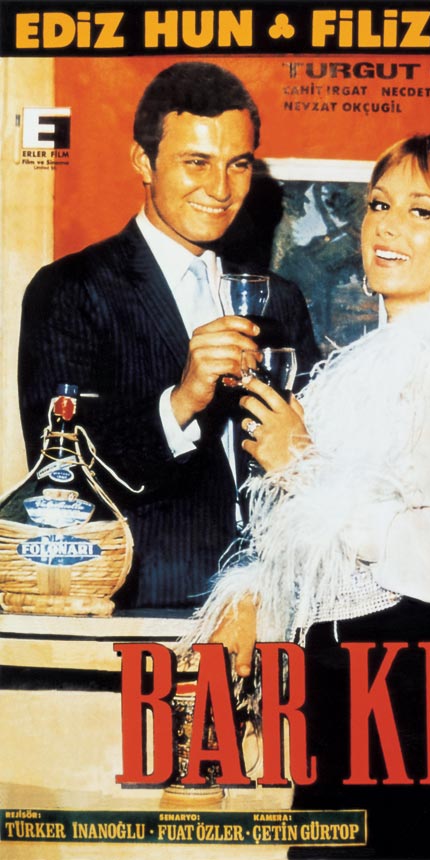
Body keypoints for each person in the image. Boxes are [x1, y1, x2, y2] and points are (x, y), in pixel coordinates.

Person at [185, 125, 430, 858]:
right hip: (361, 694)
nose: (387, 227)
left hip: (419, 707)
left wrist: (301, 463)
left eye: (422, 212)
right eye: (378, 205)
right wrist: (254, 590)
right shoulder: (380, 360)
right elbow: (328, 542)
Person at [17, 61, 319, 612]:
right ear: (143, 161)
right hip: (146, 608)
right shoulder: (70, 288)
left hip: (282, 603)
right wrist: (181, 403)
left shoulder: (280, 300)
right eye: (196, 162)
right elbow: (58, 479)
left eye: (238, 164)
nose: (220, 189)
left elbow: (315, 458)